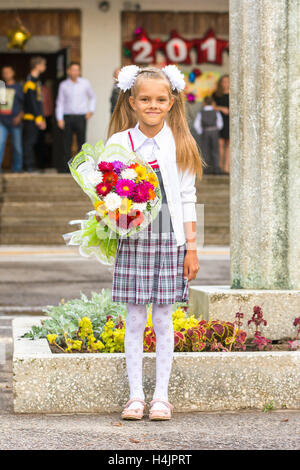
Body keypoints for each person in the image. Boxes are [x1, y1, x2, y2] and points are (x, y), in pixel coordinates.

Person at [100, 65, 203, 421]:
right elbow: (105, 195)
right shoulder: (119, 144)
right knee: (133, 319)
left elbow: (188, 197)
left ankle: (161, 396)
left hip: (169, 242)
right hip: (134, 241)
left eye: (160, 99)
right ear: (131, 101)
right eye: (145, 99)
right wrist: (109, 215)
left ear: (172, 101)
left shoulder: (180, 143)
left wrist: (192, 248)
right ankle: (135, 396)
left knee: (163, 319)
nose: (153, 105)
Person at [55, 62, 96, 172]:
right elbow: (60, 102)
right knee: (66, 143)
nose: (75, 72)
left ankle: (81, 168)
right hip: (67, 117)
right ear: (68, 71)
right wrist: (59, 118)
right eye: (73, 69)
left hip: (81, 117)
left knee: (81, 143)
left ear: (79, 71)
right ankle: (66, 168)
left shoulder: (85, 83)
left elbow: (92, 97)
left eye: (77, 70)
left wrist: (90, 111)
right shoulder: (63, 85)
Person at [23, 56, 47, 172]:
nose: (44, 67)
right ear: (37, 66)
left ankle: (32, 166)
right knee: (29, 142)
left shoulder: (37, 81)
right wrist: (38, 118)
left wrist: (42, 117)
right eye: (43, 64)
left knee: (34, 142)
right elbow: (31, 102)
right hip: (31, 118)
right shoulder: (30, 81)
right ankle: (29, 166)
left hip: (37, 117)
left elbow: (39, 102)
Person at [0, 65, 23, 172]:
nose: (6, 74)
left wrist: (19, 117)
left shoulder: (19, 87)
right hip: (2, 121)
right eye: (4, 72)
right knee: (0, 144)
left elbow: (25, 105)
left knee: (17, 147)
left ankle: (17, 170)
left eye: (8, 72)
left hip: (15, 121)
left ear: (13, 73)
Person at [193, 95, 224, 174]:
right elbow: (220, 124)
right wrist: (216, 130)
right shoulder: (216, 112)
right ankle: (216, 168)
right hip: (214, 132)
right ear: (212, 103)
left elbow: (196, 124)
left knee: (205, 150)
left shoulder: (201, 113)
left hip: (205, 132)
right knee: (215, 150)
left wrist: (201, 131)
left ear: (204, 103)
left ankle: (206, 169)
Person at [212, 74, 230, 174]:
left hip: (229, 121)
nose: (225, 84)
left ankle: (227, 167)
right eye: (223, 82)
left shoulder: (234, 94)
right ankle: (219, 166)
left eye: (227, 82)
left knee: (228, 144)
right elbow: (212, 106)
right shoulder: (216, 94)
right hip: (218, 120)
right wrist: (222, 108)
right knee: (219, 143)